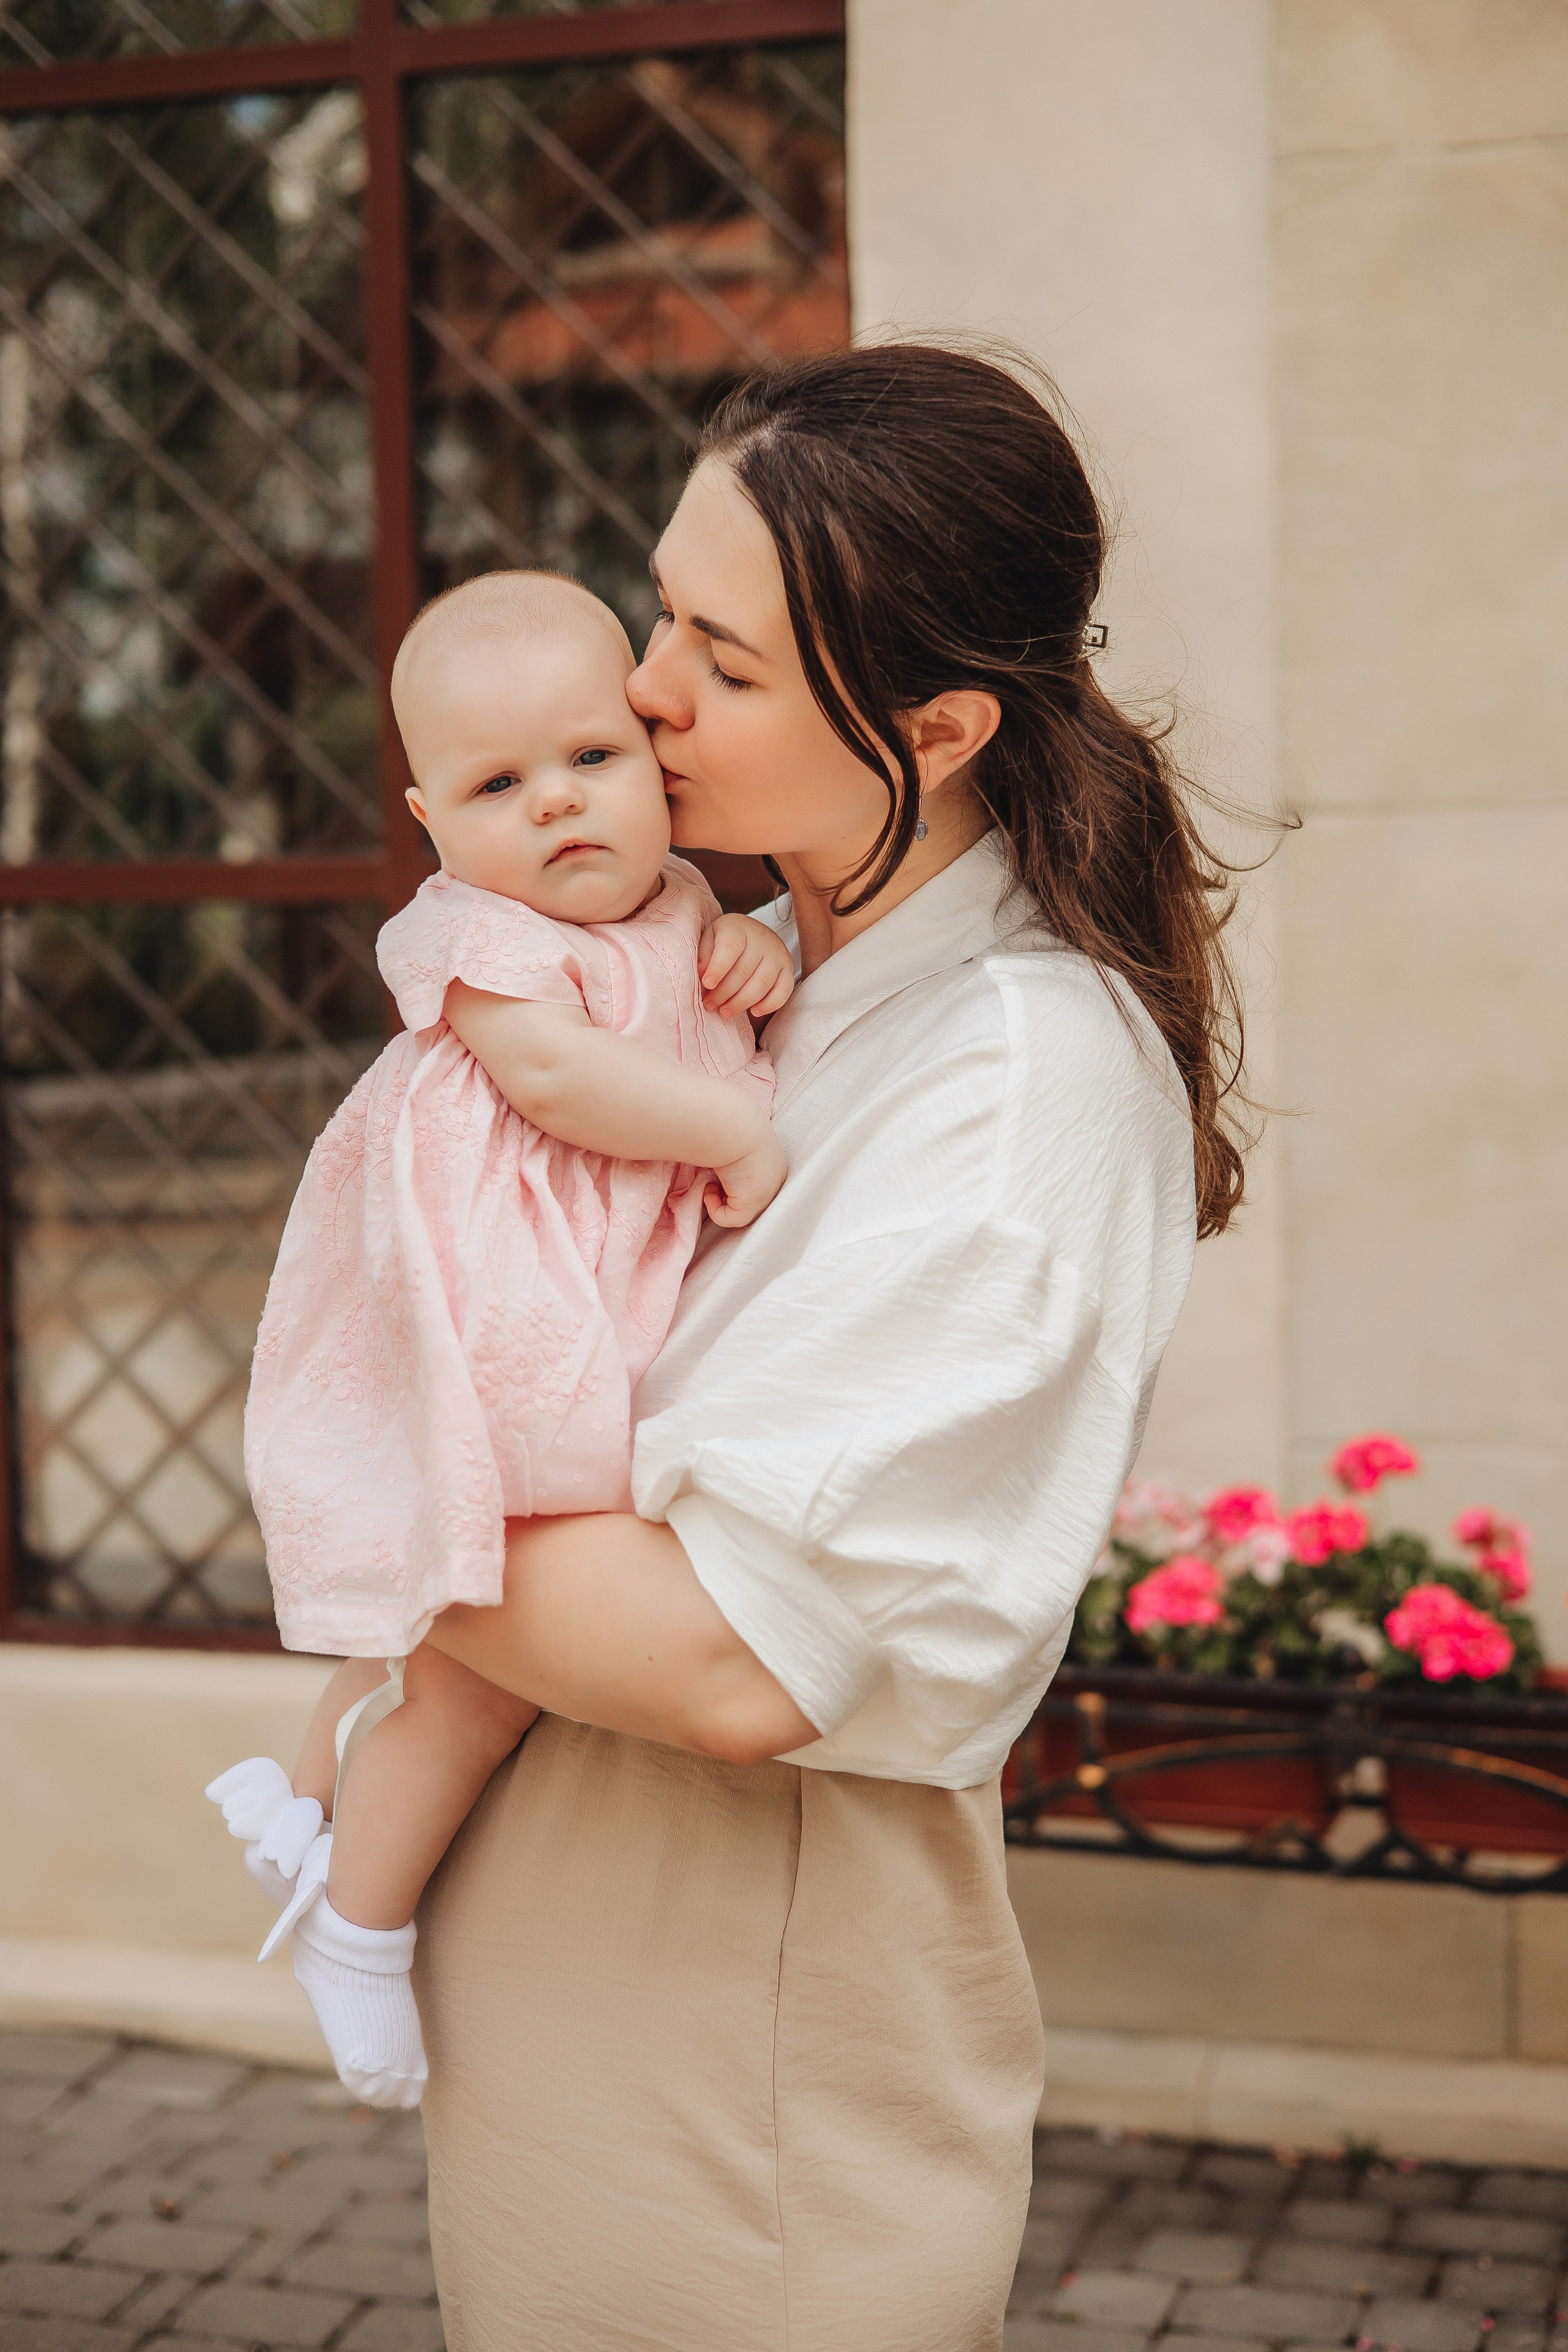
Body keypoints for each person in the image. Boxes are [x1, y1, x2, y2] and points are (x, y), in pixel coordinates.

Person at [399, 342, 1248, 2352]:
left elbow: (731, 1650)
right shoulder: (751, 969)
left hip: (735, 2095)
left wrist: (357, 1482)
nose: (644, 691)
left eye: (727, 658)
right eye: (661, 609)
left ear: (939, 724)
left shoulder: (1020, 1078)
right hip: (594, 2024)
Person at [206, 570, 794, 2108]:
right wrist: (727, 1119)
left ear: (649, 758)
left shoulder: (683, 905)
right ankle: (360, 1922)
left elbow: (691, 987)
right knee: (482, 1652)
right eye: (496, 785)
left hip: (589, 1289)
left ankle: (315, 1792)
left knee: (445, 1622)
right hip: (504, 1313)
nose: (554, 808)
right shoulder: (471, 938)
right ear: (427, 820)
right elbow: (561, 1083)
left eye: (590, 761)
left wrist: (756, 960)